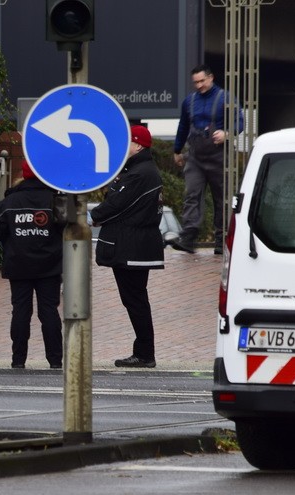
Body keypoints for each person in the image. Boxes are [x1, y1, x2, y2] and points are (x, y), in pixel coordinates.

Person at [90, 125, 164, 369]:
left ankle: (144, 353)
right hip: (135, 246)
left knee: (135, 300)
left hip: (131, 248)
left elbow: (115, 204)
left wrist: (90, 217)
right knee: (135, 299)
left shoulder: (139, 173)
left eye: (127, 143)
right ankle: (143, 351)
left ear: (138, 145)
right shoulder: (140, 170)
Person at [0, 160, 64, 370]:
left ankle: (18, 360)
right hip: (50, 265)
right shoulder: (56, 199)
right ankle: (55, 360)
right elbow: (68, 229)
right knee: (49, 311)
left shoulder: (9, 202)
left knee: (21, 311)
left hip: (18, 264)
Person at [169, 64, 243, 255]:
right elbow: (183, 126)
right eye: (196, 82)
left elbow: (239, 122)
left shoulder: (226, 98)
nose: (199, 85)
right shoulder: (189, 101)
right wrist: (177, 150)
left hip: (220, 155)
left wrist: (227, 133)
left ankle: (221, 240)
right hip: (195, 156)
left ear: (211, 78)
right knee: (191, 194)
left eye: (202, 81)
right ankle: (188, 237)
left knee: (222, 199)